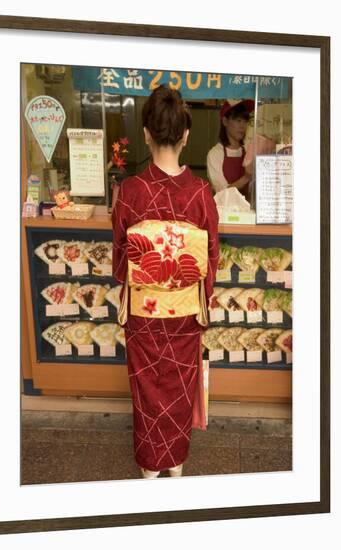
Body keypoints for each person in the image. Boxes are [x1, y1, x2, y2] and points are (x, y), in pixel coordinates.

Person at [111, 84, 219, 479]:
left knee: (147, 392)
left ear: (146, 133)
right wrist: (192, 289)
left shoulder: (129, 193)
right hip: (186, 311)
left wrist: (149, 272)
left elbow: (121, 262)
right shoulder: (201, 193)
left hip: (143, 312)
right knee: (177, 388)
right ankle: (174, 464)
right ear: (186, 135)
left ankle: (149, 468)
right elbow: (211, 259)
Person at [206, 99, 255, 201]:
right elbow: (222, 192)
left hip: (248, 212)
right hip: (225, 214)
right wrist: (246, 177)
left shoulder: (248, 150)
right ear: (225, 121)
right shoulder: (215, 154)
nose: (242, 126)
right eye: (238, 120)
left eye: (245, 121)